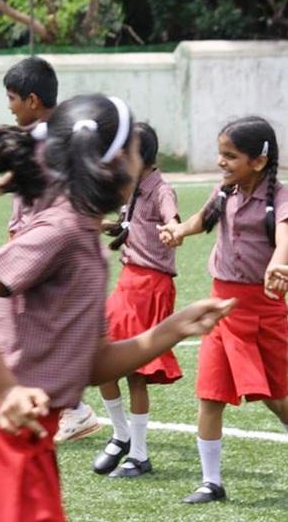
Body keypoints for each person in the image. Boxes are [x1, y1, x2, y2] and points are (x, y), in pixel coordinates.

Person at [0, 94, 235, 522]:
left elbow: (90, 365)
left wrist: (173, 328)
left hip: (30, 437)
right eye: (135, 148)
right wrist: (7, 390)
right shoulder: (65, 229)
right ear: (113, 164)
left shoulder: (86, 241)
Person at [159, 116, 288, 504]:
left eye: (230, 156)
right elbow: (204, 219)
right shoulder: (224, 191)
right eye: (220, 154)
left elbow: (284, 237)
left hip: (263, 310)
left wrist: (279, 264)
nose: (221, 162)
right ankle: (211, 481)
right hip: (220, 309)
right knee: (210, 394)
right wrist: (179, 230)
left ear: (259, 162)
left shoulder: (279, 199)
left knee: (280, 400)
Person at [0, 56, 102, 442]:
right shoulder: (45, 137)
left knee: (32, 328)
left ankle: (72, 408)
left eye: (13, 98)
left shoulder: (61, 141)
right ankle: (64, 406)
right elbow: (24, 174)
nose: (9, 106)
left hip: (44, 249)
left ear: (33, 100)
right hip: (33, 242)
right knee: (23, 327)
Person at [92, 122, 182, 478]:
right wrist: (107, 226)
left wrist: (172, 229)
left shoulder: (161, 190)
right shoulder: (131, 188)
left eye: (124, 151)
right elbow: (130, 225)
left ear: (140, 156)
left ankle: (139, 454)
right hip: (131, 283)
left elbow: (170, 217)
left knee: (136, 373)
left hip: (150, 287)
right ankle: (121, 435)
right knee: (99, 357)